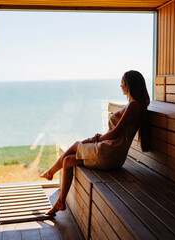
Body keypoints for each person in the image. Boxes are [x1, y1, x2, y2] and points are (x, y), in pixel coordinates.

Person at [41, 70, 150, 215]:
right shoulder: (132, 104)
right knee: (68, 161)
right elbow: (116, 133)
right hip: (111, 152)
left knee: (76, 145)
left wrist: (95, 139)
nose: (120, 85)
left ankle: (50, 172)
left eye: (122, 82)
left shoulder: (133, 106)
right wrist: (99, 138)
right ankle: (61, 202)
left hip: (111, 153)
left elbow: (116, 133)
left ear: (129, 85)